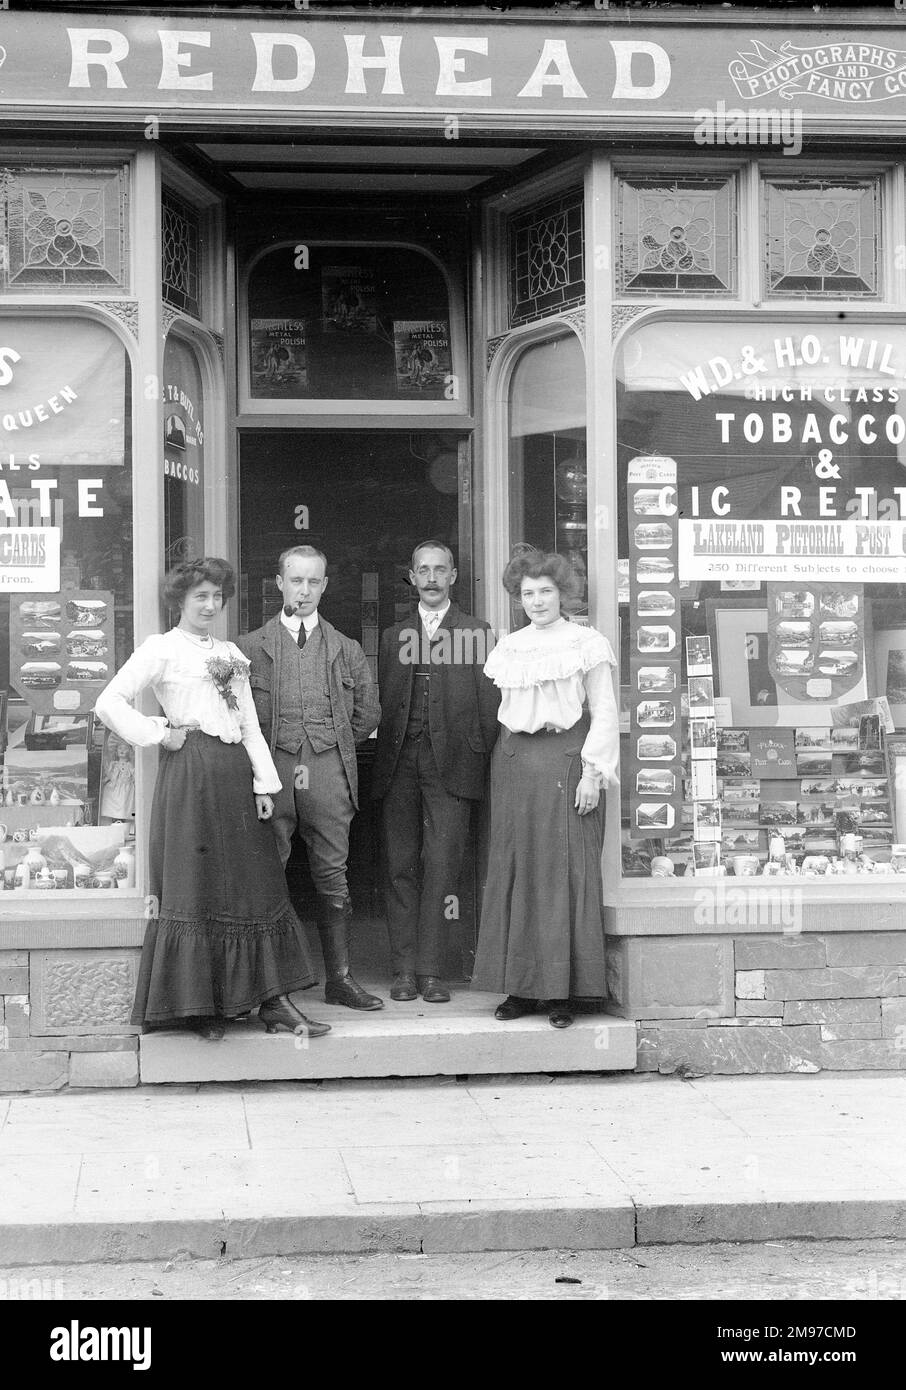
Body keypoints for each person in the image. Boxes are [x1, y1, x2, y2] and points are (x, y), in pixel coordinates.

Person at [94, 557, 329, 1042]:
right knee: (196, 885)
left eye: (217, 596)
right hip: (191, 773)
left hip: (234, 775)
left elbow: (248, 725)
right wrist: (160, 731)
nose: (210, 604)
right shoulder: (161, 649)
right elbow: (108, 702)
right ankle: (199, 1007)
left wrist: (265, 786)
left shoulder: (228, 652)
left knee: (257, 883)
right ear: (179, 600)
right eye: (200, 595)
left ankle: (274, 1001)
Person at [471, 548, 620, 1030]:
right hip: (515, 763)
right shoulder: (510, 646)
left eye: (545, 592)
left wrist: (593, 774)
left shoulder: (586, 642)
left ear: (563, 593)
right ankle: (519, 988)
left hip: (567, 763)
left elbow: (604, 711)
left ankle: (562, 992)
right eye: (527, 593)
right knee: (518, 871)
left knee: (563, 874)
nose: (536, 601)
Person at [237, 545, 382, 1009]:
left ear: (325, 585)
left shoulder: (346, 649)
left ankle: (339, 979)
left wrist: (332, 747)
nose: (304, 590)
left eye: (313, 581)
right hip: (271, 770)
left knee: (333, 874)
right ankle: (270, 989)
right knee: (266, 871)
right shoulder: (247, 649)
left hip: (328, 769)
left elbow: (368, 713)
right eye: (295, 580)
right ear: (279, 583)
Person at [373, 541, 500, 1003]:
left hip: (452, 766)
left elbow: (490, 709)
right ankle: (403, 970)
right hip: (399, 763)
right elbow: (385, 704)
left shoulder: (476, 631)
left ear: (452, 577)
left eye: (439, 570)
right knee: (399, 865)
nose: (430, 578)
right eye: (422, 570)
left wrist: (479, 763)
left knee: (443, 866)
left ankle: (432, 972)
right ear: (411, 576)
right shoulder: (393, 636)